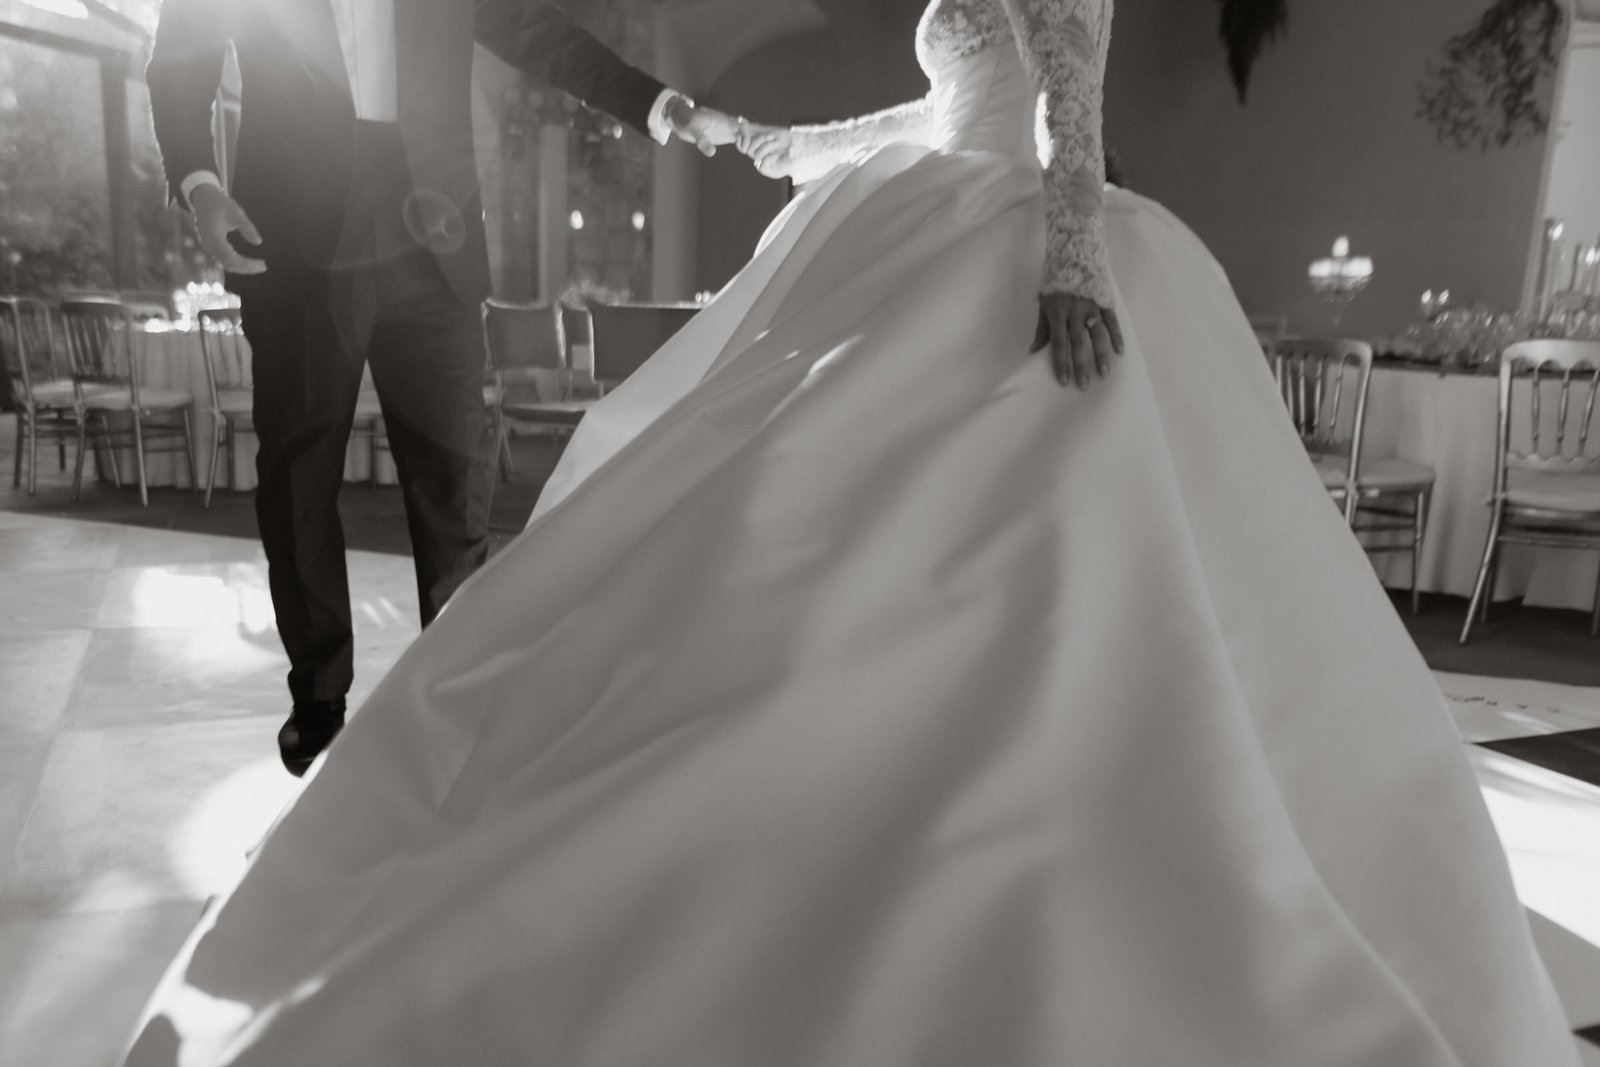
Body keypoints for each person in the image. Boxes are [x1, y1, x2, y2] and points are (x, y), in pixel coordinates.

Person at [123, 0, 1579, 1062]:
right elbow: (956, 98)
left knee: (1011, 536)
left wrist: (1073, 262)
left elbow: (1068, 100)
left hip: (1022, 246)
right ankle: (358, 708)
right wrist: (796, 141)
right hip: (901, 212)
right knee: (702, 492)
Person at [144, 0, 736, 776]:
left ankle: (460, 686)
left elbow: (539, 33)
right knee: (298, 467)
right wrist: (200, 184)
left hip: (433, 228)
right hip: (293, 229)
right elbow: (181, 53)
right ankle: (319, 694)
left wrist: (660, 105)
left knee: (456, 470)